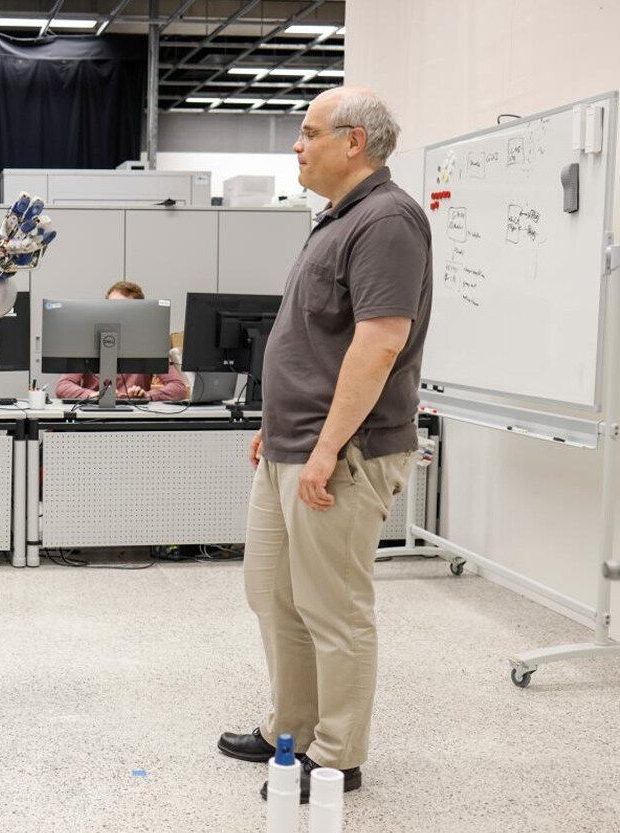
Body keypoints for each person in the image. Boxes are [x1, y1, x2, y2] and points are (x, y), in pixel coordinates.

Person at [216, 87, 433, 802]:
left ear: (354, 143)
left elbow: (379, 342)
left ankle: (338, 754)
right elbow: (314, 340)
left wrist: (324, 445)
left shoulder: (389, 220)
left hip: (342, 452)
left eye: (307, 133)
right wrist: (277, 422)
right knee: (274, 594)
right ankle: (292, 729)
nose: (296, 146)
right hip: (293, 441)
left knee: (332, 606)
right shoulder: (335, 220)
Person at [53, 280, 188, 401]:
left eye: (123, 309)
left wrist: (148, 395)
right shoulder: (87, 343)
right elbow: (63, 387)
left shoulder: (149, 345)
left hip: (134, 418)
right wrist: (92, 395)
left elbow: (178, 388)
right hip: (93, 416)